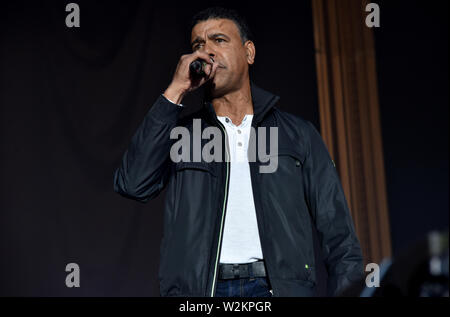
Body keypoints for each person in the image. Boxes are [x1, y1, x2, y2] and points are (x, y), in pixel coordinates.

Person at [113, 7, 364, 297]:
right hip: (202, 293)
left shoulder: (297, 134)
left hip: (275, 291)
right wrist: (175, 91)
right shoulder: (183, 134)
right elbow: (133, 183)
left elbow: (339, 233)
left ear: (249, 53)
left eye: (219, 40)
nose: (207, 51)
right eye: (198, 45)